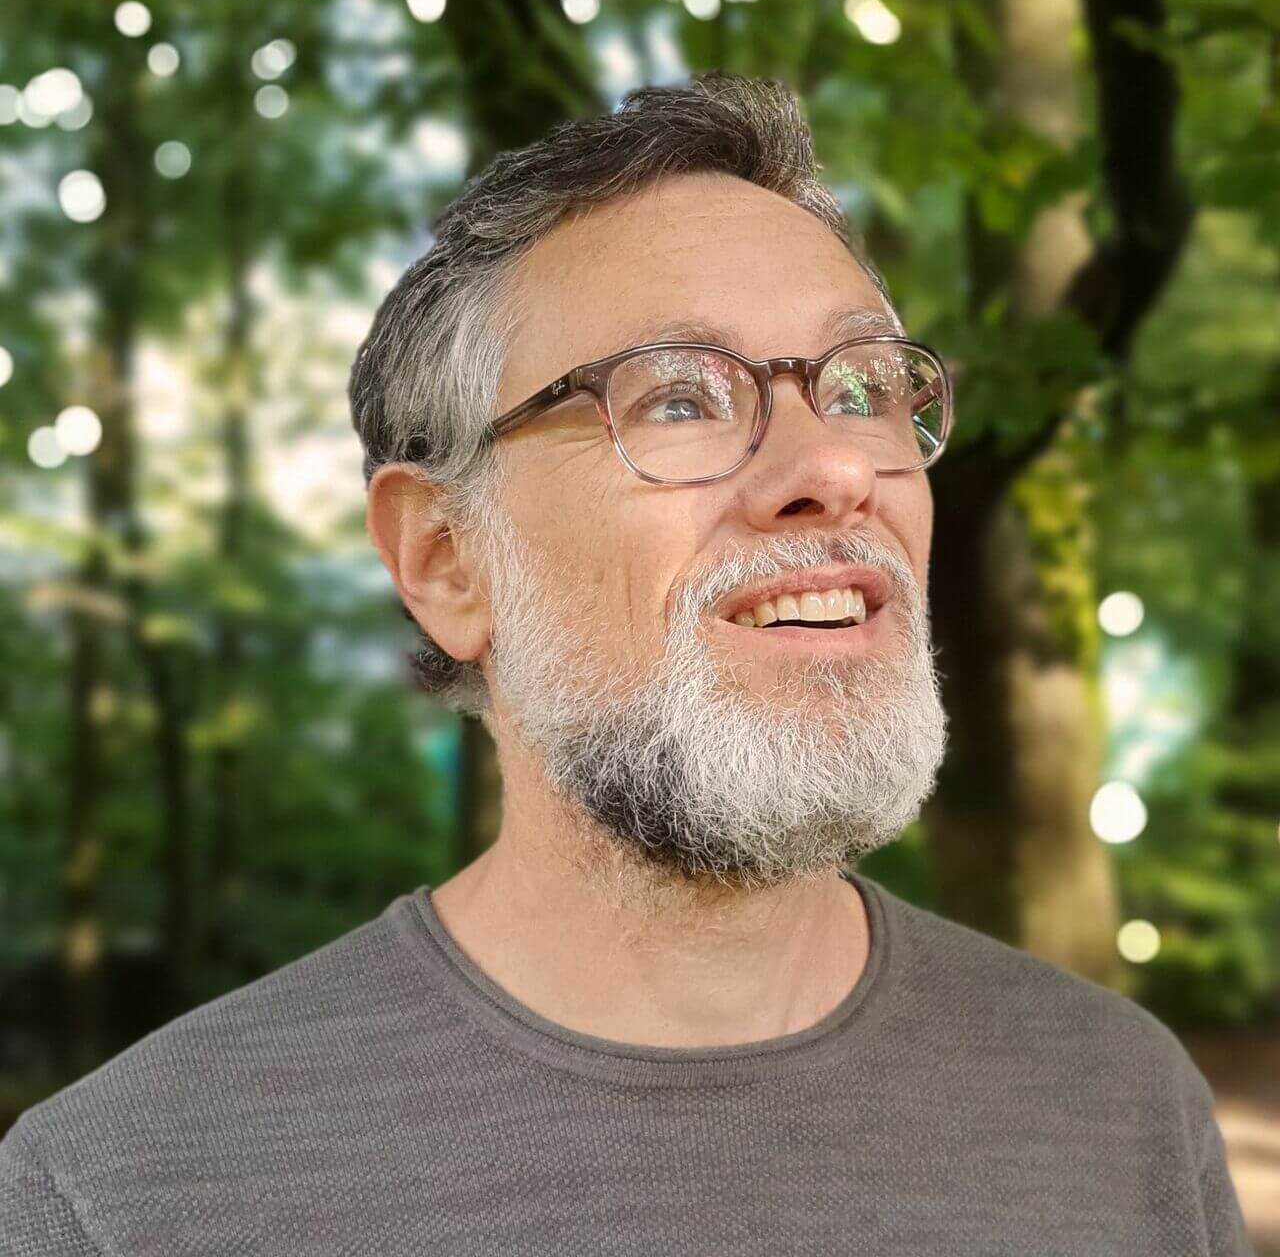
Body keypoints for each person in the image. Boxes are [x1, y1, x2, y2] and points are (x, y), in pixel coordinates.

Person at [0, 72, 1252, 1256]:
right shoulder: (121, 1196)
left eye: (863, 388)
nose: (833, 466)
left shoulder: (1122, 1108)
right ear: (445, 557)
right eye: (677, 398)